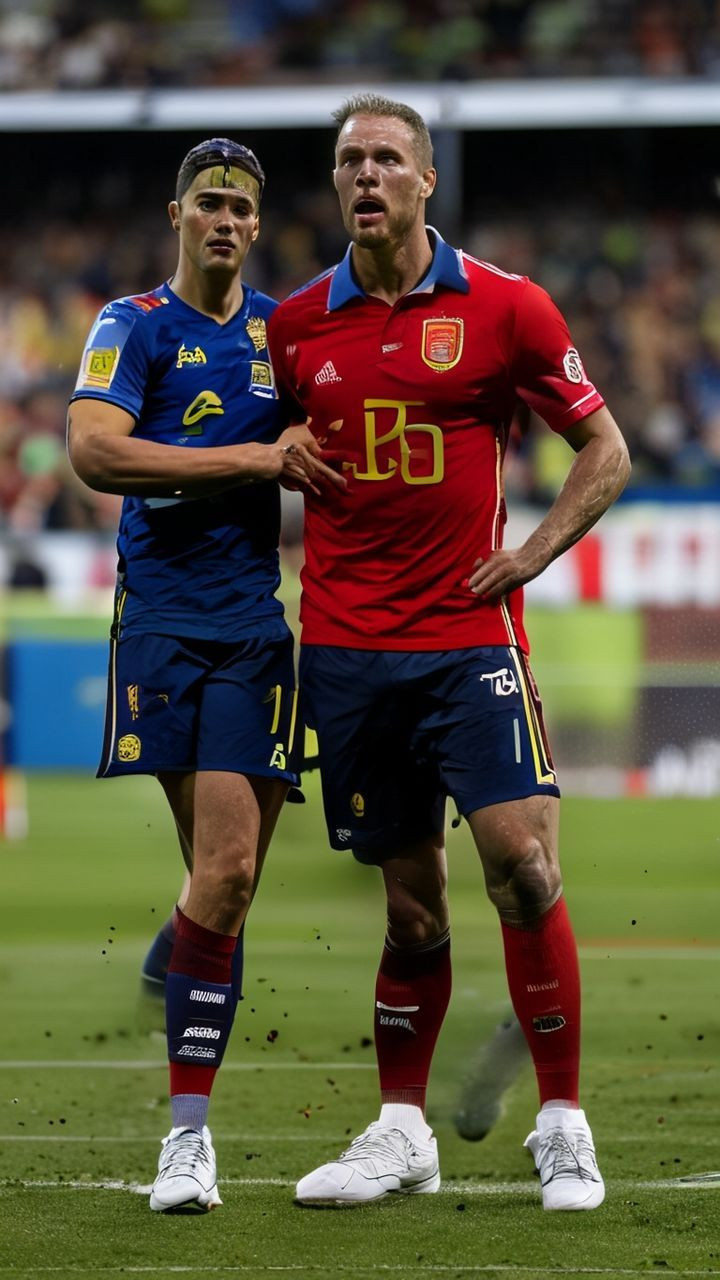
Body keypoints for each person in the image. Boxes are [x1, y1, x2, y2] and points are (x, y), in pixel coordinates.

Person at [268, 94, 631, 1212]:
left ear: (427, 180)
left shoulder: (507, 307)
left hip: (469, 636)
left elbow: (605, 448)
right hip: (346, 647)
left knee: (524, 866)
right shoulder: (294, 327)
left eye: (387, 158)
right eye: (349, 160)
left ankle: (563, 1125)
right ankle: (402, 1130)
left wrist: (531, 552)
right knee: (412, 908)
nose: (365, 175)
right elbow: (256, 451)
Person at [67, 137, 339, 1214]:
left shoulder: (285, 330)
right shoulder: (131, 324)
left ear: (258, 227)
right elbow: (96, 451)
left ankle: (173, 965)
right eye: (208, 202)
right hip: (163, 627)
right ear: (176, 215)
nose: (224, 219)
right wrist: (252, 459)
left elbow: (328, 424)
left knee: (225, 878)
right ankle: (187, 1138)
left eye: (241, 206)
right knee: (225, 872)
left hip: (256, 632)